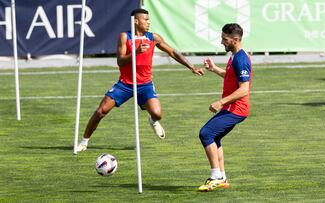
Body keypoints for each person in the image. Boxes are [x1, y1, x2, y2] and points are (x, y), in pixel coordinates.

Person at [77, 8, 204, 152]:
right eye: (146, 19)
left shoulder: (153, 38)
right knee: (101, 111)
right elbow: (120, 61)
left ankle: (152, 119)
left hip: (145, 85)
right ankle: (84, 142)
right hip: (125, 84)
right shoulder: (125, 37)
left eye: (149, 19)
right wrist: (136, 52)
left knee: (157, 114)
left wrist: (192, 67)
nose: (148, 22)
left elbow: (172, 52)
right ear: (135, 21)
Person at [197, 23, 252, 192]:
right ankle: (222, 176)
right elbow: (229, 76)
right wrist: (214, 69)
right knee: (215, 137)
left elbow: (244, 89)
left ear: (235, 40)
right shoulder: (235, 56)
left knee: (206, 133)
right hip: (232, 107)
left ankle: (216, 176)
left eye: (224, 39)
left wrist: (221, 102)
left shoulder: (241, 59)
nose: (221, 42)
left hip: (236, 108)